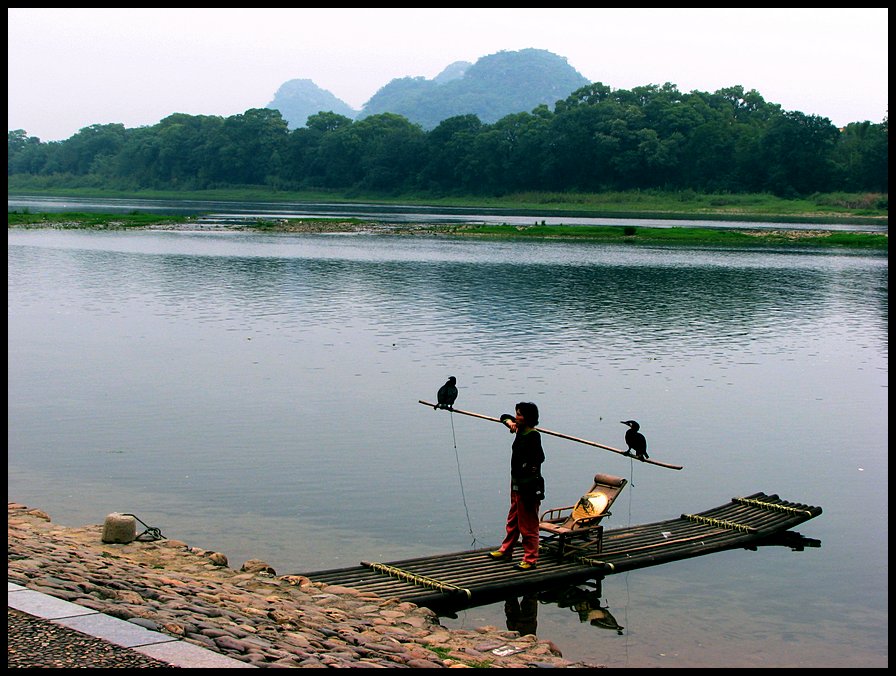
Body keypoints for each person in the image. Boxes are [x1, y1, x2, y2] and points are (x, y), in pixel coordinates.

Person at [487, 401, 545, 570]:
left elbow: (539, 458)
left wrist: (527, 468)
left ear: (527, 418)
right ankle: (506, 550)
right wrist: (510, 423)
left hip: (529, 486)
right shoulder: (519, 429)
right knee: (513, 519)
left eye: (519, 414)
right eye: (516, 414)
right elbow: (503, 418)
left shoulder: (533, 435)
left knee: (528, 524)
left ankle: (530, 558)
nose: (516, 417)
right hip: (516, 484)